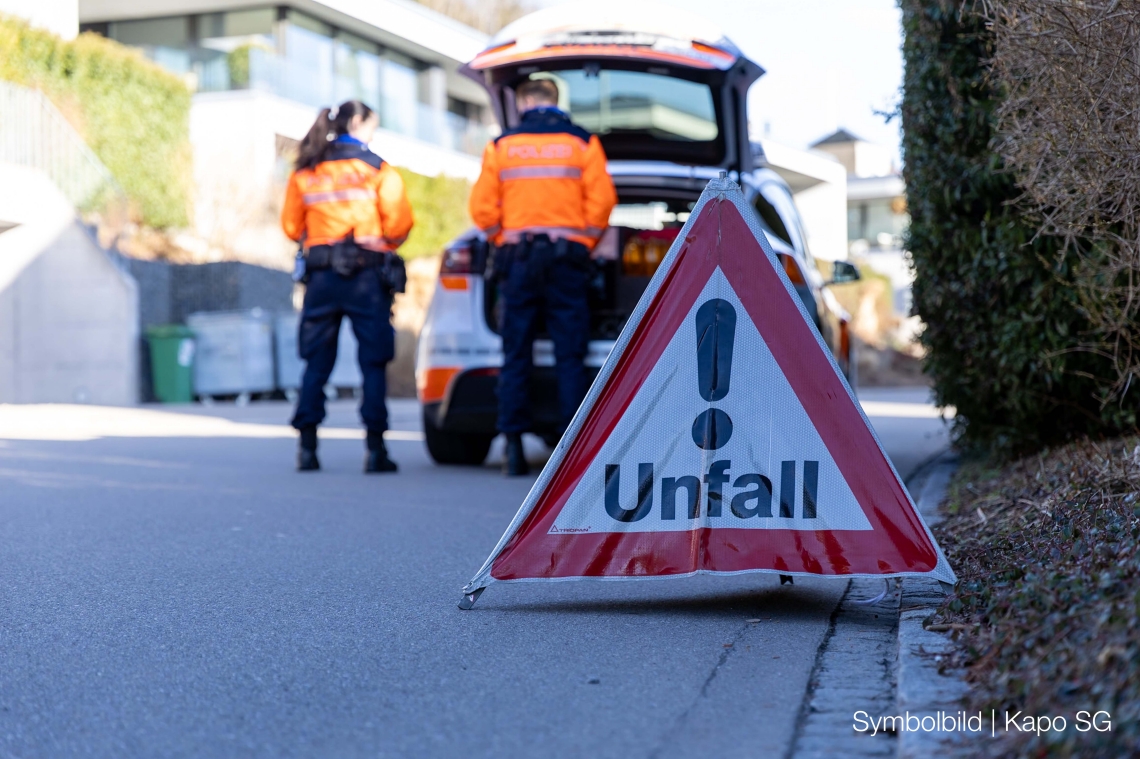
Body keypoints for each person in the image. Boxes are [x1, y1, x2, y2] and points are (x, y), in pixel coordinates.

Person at [469, 79, 617, 476]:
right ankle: (568, 453)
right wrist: (582, 242)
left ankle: (513, 446)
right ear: (554, 101)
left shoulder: (502, 145)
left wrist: (505, 238)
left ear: (525, 103)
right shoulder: (582, 143)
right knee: (570, 353)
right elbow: (602, 202)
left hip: (517, 261)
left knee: (515, 351)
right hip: (565, 262)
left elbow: (482, 208)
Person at [281, 100, 414, 473]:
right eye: (372, 127)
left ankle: (307, 448)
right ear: (357, 123)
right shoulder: (377, 168)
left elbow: (291, 227)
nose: (373, 135)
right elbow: (400, 224)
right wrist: (380, 242)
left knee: (316, 362)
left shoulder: (307, 169)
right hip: (366, 276)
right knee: (372, 362)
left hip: (321, 277)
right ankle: (376, 450)